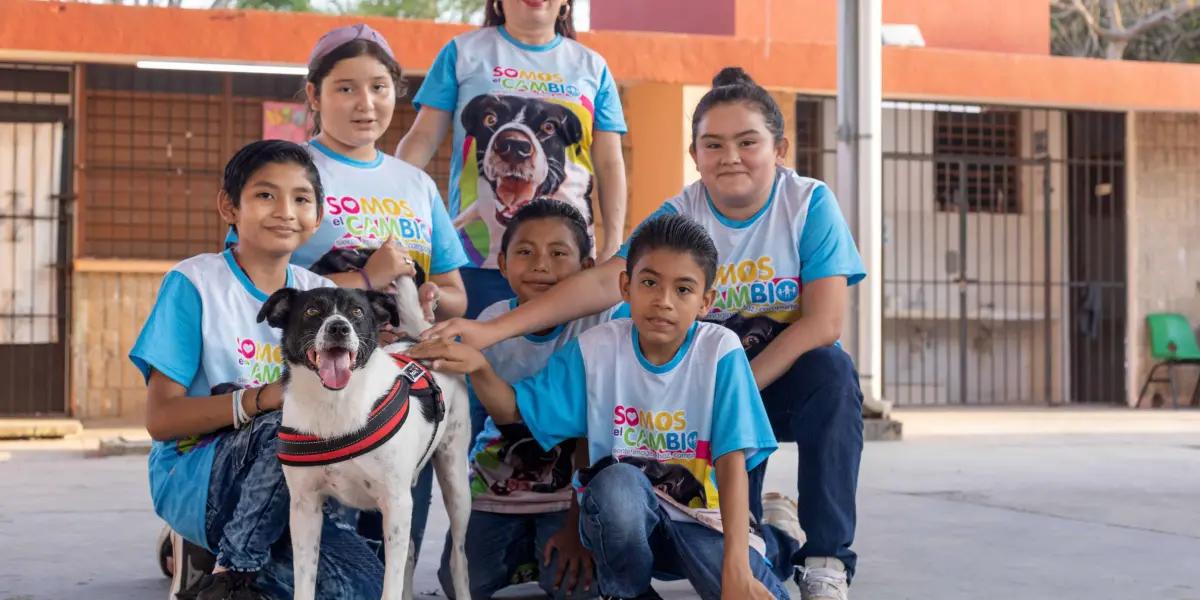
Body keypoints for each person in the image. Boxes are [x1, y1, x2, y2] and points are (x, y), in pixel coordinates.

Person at [422, 67, 867, 600]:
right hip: (697, 388)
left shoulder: (808, 204)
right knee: (711, 525)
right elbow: (603, 281)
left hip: (764, 379)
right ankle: (756, 534)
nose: (730, 156)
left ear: (780, 148)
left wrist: (726, 393)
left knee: (835, 373)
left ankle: (825, 557)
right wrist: (488, 331)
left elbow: (824, 323)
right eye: (713, 144)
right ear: (695, 153)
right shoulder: (681, 215)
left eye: (748, 142)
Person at [409, 213, 788, 600]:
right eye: (650, 283)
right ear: (625, 286)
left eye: (683, 290)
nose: (663, 301)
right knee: (615, 482)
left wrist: (736, 569)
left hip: (701, 519)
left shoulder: (719, 350)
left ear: (706, 301)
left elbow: (731, 462)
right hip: (623, 519)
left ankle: (780, 540)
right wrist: (480, 365)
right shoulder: (597, 348)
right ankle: (628, 593)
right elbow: (519, 414)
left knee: (749, 582)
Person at [219, 24, 474, 567]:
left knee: (392, 555)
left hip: (400, 389)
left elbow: (456, 294)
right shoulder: (289, 170)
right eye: (345, 88)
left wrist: (429, 295)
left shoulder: (415, 184)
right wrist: (365, 278)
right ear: (313, 95)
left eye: (380, 87)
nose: (366, 104)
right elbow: (255, 279)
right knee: (315, 546)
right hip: (319, 390)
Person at [131, 140, 385, 600]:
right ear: (229, 206)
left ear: (317, 215)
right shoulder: (196, 283)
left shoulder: (324, 296)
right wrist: (260, 399)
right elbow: (161, 420)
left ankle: (215, 562)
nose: (285, 211)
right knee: (288, 421)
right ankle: (231, 569)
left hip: (304, 491)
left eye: (302, 198)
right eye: (266, 195)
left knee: (361, 589)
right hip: (202, 476)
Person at [396, 0, 629, 324]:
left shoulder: (592, 66)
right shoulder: (463, 53)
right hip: (474, 259)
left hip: (567, 261)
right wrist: (387, 202)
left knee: (566, 369)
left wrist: (612, 246)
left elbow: (610, 164)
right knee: (471, 367)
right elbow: (422, 139)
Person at [438, 198, 617, 599]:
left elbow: (595, 432)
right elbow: (479, 419)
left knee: (575, 587)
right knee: (460, 583)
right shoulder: (489, 325)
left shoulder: (602, 325)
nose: (541, 264)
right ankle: (526, 552)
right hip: (497, 489)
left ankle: (543, 550)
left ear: (587, 269)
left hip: (568, 496)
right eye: (525, 252)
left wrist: (577, 527)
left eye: (559, 253)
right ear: (502, 265)